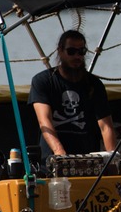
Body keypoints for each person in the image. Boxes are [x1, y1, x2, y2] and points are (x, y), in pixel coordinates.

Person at [29, 29, 116, 159]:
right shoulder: (42, 81)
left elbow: (106, 127)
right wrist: (60, 153)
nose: (77, 56)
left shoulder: (95, 84)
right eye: (71, 51)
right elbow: (45, 121)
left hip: (87, 159)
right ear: (60, 51)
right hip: (52, 159)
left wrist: (112, 159)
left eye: (81, 52)